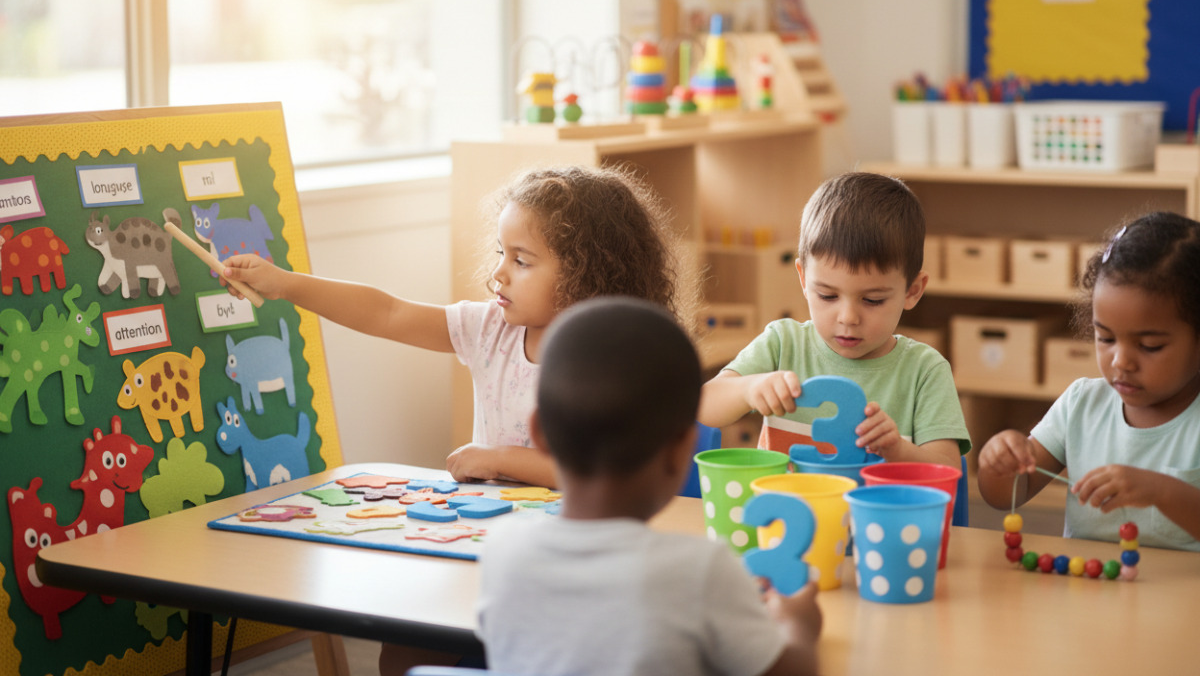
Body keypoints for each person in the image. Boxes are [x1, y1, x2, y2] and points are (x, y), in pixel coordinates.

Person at [220, 163, 699, 488]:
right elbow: (387, 313)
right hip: (486, 530)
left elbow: (599, 473)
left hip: (570, 547)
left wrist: (497, 459)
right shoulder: (491, 330)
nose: (498, 273)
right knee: (407, 637)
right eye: (500, 254)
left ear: (585, 274)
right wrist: (286, 285)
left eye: (522, 261)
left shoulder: (615, 358)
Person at [477, 296, 822, 676]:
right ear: (684, 449)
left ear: (540, 434)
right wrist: (799, 628)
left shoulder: (501, 550)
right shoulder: (701, 572)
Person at [698, 171, 969, 469]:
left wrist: (899, 450)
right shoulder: (782, 343)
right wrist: (747, 388)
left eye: (873, 300)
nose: (848, 318)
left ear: (912, 290)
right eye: (827, 295)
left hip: (875, 516)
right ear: (803, 278)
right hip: (786, 511)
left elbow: (950, 471)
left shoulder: (925, 371)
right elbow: (703, 405)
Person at [977, 212, 1200, 550]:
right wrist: (998, 463)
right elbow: (1004, 496)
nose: (1120, 361)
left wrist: (1161, 491)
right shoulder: (1082, 404)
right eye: (1106, 338)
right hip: (1089, 595)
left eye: (1150, 346)